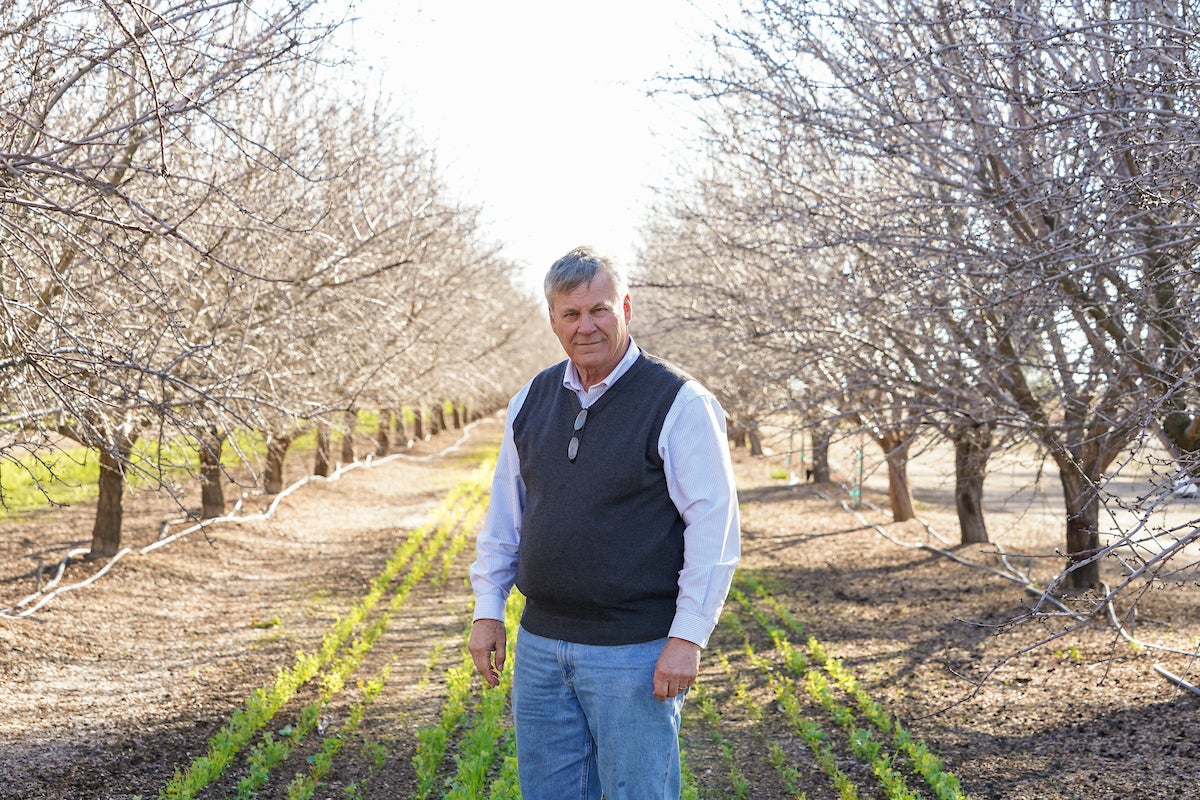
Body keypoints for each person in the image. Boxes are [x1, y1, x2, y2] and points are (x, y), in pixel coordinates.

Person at [468, 245, 741, 800]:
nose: (586, 325)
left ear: (627, 308)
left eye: (600, 310)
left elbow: (714, 527)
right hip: (542, 648)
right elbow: (506, 515)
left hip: (634, 653)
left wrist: (688, 637)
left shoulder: (679, 402)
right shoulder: (531, 399)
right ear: (552, 321)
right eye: (571, 314)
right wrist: (487, 610)